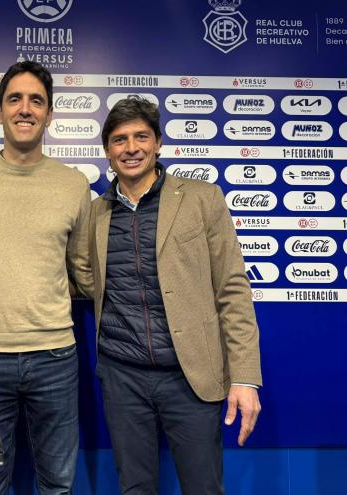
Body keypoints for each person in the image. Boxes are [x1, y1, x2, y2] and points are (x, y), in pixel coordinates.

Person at [90, 96, 262, 494]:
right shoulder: (96, 213)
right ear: (107, 151)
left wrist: (246, 378)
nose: (131, 148)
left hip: (191, 378)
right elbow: (84, 277)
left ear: (159, 142)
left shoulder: (202, 198)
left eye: (140, 137)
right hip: (122, 377)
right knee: (135, 488)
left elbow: (233, 289)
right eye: (119, 140)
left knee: (203, 488)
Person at [0, 61, 93, 494]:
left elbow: (82, 269)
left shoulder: (73, 184)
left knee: (58, 484)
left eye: (36, 101)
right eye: (15, 99)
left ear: (49, 113)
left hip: (55, 359)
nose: (25, 109)